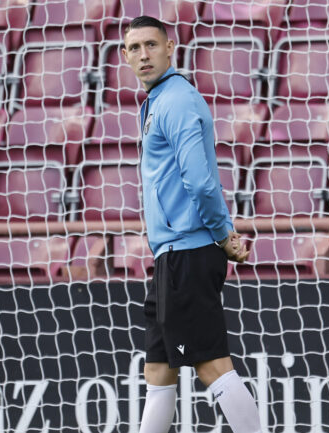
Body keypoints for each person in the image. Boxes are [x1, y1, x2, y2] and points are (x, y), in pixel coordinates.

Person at [121, 15, 263, 433]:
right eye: (134, 48)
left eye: (151, 45)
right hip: (171, 253)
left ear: (170, 48)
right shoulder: (159, 100)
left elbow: (201, 182)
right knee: (158, 371)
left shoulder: (177, 100)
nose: (143, 55)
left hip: (188, 249)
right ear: (124, 56)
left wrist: (223, 235)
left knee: (212, 365)